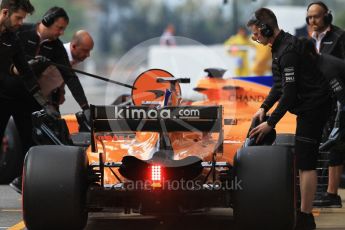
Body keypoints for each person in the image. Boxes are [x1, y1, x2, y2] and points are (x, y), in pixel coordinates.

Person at [246, 8, 331, 230]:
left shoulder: (287, 52)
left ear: (265, 28)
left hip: (315, 107)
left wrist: (271, 123)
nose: (254, 37)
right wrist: (263, 108)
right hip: (309, 105)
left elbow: (290, 93)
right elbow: (279, 85)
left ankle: (305, 218)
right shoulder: (279, 47)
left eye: (256, 33)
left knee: (306, 163)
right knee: (303, 161)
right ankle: (303, 212)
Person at [9, 7, 90, 194]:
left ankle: (26, 182)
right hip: (5, 94)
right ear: (46, 21)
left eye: (63, 29)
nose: (61, 33)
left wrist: (85, 107)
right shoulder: (20, 32)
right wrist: (30, 62)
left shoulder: (56, 47)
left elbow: (70, 77)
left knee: (32, 142)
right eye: (59, 28)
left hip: (30, 98)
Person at [306, 1, 345, 208]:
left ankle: (332, 194)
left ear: (327, 17)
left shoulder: (340, 37)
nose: (313, 21)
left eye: (316, 16)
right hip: (320, 98)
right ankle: (322, 189)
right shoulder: (311, 39)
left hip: (338, 98)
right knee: (321, 143)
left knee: (335, 145)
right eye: (309, 17)